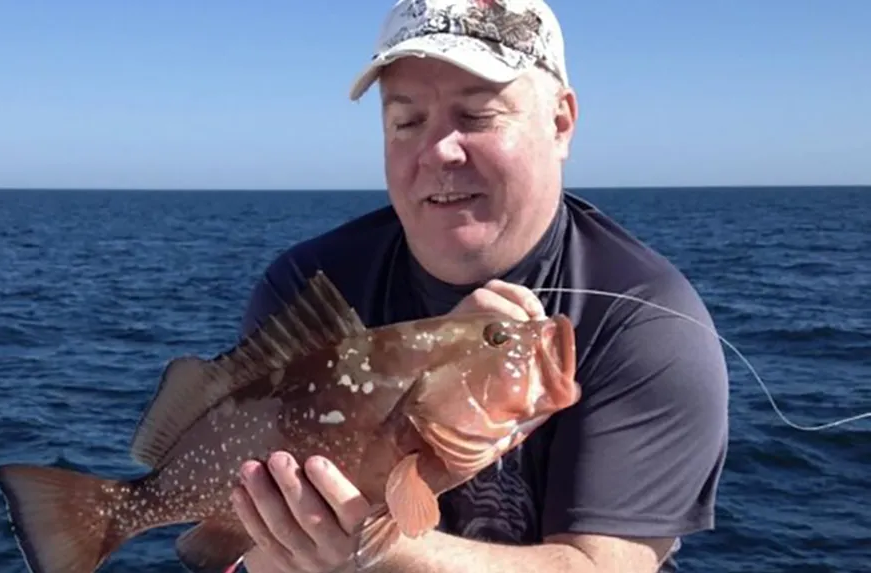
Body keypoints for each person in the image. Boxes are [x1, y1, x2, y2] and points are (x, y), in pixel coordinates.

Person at [225, 0, 729, 571]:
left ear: (560, 123)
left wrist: (379, 551)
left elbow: (603, 566)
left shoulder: (646, 320)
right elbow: (254, 543)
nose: (439, 151)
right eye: (406, 122)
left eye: (478, 116)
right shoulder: (308, 287)